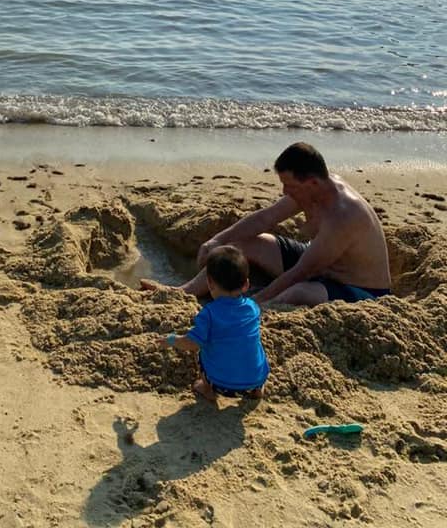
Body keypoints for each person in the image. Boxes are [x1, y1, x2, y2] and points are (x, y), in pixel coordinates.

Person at [144, 142, 391, 306]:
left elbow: (301, 273)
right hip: (318, 262)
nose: (285, 191)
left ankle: (256, 309)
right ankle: (182, 293)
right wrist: (218, 239)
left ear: (312, 183)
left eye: (290, 186)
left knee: (299, 292)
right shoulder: (314, 189)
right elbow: (266, 218)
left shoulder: (344, 215)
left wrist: (258, 302)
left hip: (359, 289)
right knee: (241, 246)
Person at [159, 246, 269, 401]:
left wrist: (172, 340)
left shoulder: (209, 314)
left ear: (210, 283)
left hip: (222, 386)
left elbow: (192, 343)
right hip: (255, 380)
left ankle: (206, 389)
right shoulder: (252, 307)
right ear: (246, 284)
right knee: (253, 344)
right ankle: (257, 391)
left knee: (202, 351)